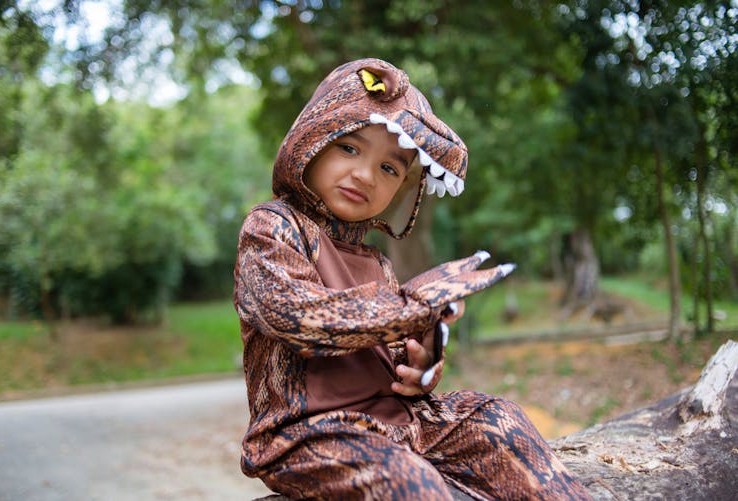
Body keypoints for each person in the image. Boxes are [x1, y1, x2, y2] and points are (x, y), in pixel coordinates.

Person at [234, 58, 591, 500]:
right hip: (308, 434)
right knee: (411, 484)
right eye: (349, 147)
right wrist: (413, 305)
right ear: (312, 137)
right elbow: (297, 318)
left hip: (400, 420)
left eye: (390, 169)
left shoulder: (377, 263)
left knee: (499, 420)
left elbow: (396, 355)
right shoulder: (272, 227)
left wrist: (422, 362)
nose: (365, 174)